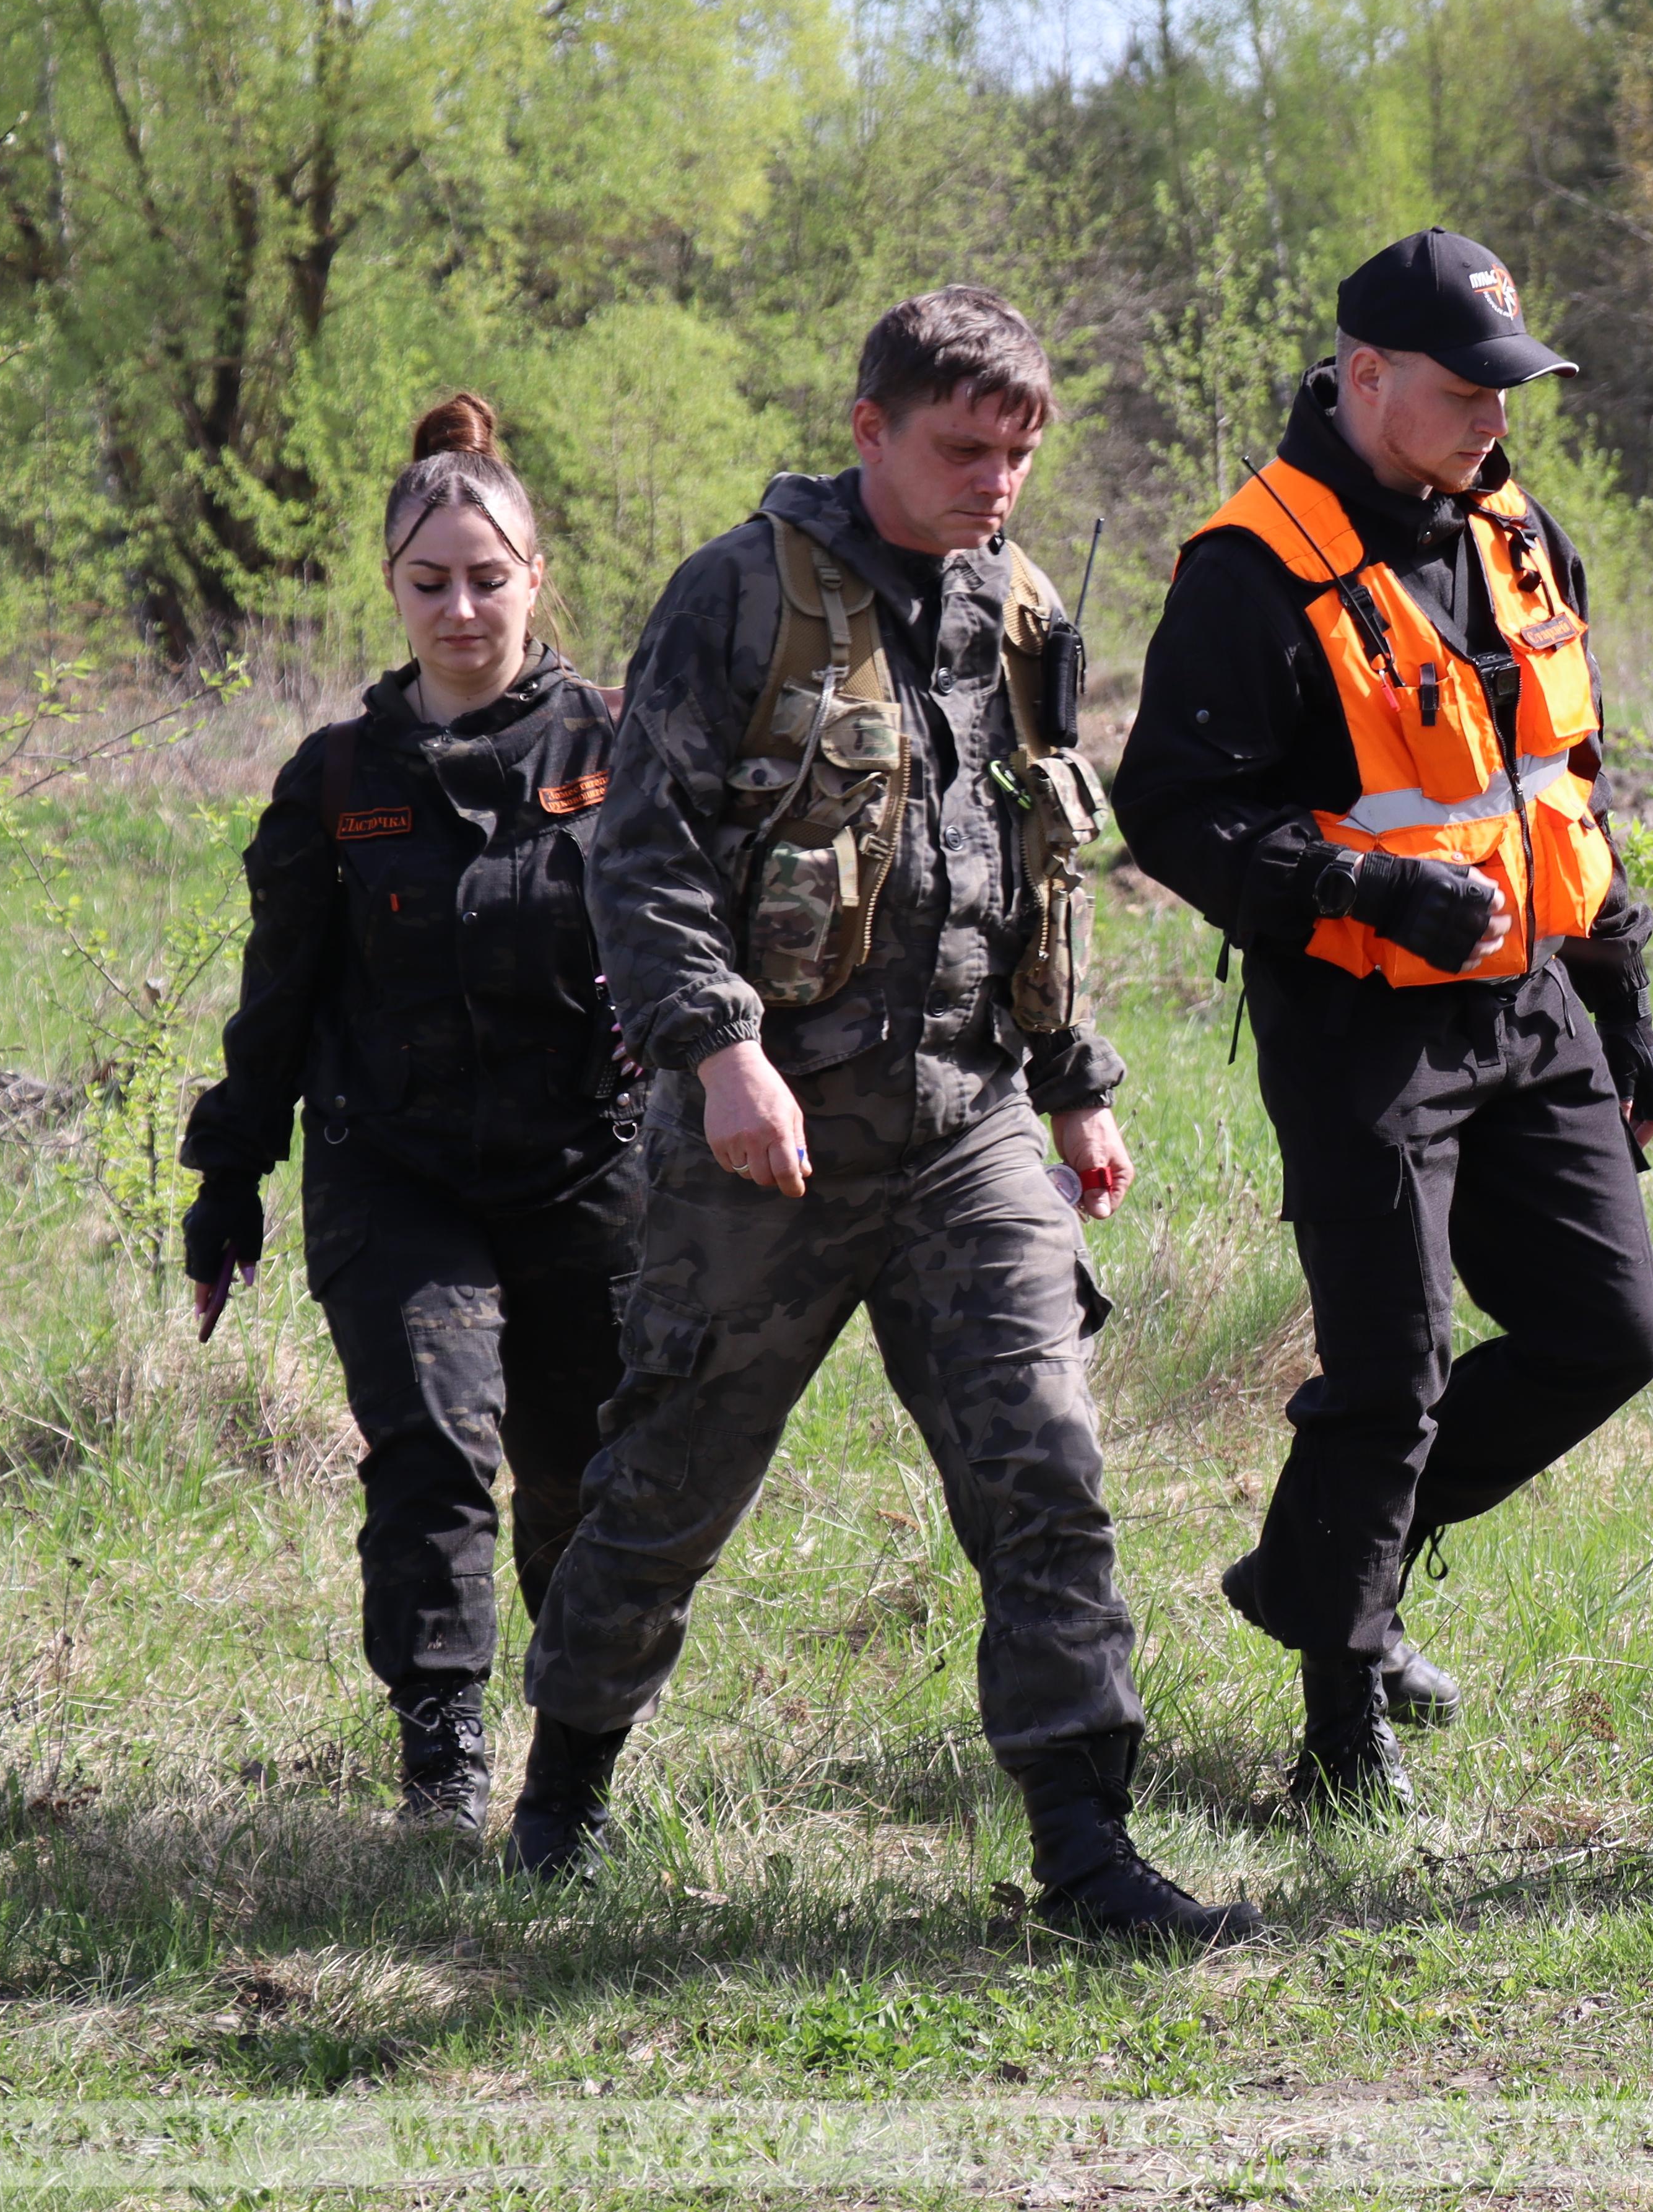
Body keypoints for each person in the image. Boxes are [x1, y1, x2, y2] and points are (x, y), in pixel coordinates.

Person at [502, 287, 1256, 1946]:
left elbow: (1028, 867)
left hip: (967, 1126)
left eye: (1022, 453)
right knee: (669, 1477)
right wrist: (719, 1055)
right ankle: (559, 1800)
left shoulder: (1027, 610)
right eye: (964, 449)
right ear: (870, 432)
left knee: (1046, 1470)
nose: (998, 482)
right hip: (767, 1132)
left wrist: (1074, 1086)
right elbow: (640, 860)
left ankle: (1085, 1853)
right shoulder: (734, 599)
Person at [1113, 227, 1653, 1813]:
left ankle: (1333, 1557)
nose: (1499, 414)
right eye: (1465, 388)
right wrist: (1364, 888)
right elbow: (1173, 813)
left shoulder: (1518, 533)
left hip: (1534, 1003)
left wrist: (1622, 1004)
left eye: (1514, 385)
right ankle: (1338, 1732)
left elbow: (1571, 786)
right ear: (1364, 380)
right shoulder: (1249, 566)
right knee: (1392, 1370)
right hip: (1364, 1028)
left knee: (1606, 1336)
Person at [180, 393, 643, 1837]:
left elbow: (705, 949)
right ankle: (441, 1751)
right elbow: (275, 1005)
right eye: (429, 580)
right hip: (397, 1171)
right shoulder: (335, 782)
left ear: (536, 575)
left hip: (589, 1170)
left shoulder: (626, 751)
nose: (461, 607)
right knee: (437, 1448)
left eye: (488, 577)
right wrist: (228, 1184)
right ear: (390, 586)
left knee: (584, 1471)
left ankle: (575, 1759)